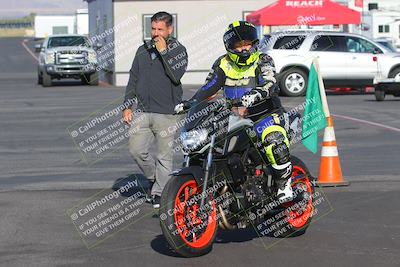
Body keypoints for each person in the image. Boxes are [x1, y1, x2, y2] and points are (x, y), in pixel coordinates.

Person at [175, 21, 293, 201]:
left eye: (247, 43)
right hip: (235, 115)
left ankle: (284, 185)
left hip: (265, 113)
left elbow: (270, 83)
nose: (244, 49)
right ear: (230, 47)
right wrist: (192, 103)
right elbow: (210, 86)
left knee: (272, 138)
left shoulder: (263, 60)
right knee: (210, 140)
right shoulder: (222, 63)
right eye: (239, 45)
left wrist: (257, 93)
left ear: (254, 43)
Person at [122, 11, 188, 209]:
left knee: (164, 156)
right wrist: (127, 106)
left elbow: (176, 76)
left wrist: (164, 53)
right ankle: (154, 178)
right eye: (153, 28)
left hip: (167, 113)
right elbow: (133, 78)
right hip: (142, 110)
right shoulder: (142, 50)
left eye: (160, 29)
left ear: (170, 29)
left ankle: (160, 193)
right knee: (136, 150)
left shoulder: (178, 50)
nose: (156, 33)